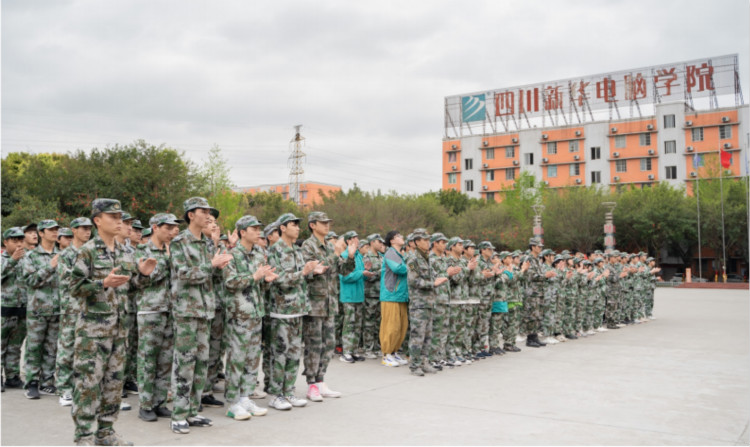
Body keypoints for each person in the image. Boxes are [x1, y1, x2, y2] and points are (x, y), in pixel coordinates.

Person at [68, 198, 156, 445]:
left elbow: (132, 287)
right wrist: (101, 284)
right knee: (88, 385)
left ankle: (105, 432)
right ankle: (83, 436)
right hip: (93, 333)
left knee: (114, 385)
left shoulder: (127, 252)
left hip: (119, 331)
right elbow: (73, 287)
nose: (119, 222)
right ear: (97, 220)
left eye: (120, 218)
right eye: (113, 217)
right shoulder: (87, 251)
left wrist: (145, 276)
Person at [169, 197, 232, 434]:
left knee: (201, 364)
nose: (208, 215)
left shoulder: (207, 243)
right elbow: (183, 273)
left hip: (206, 310)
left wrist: (220, 266)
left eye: (209, 212)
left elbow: (211, 275)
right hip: (187, 310)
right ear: (190, 214)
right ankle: (178, 414)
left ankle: (192, 411)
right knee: (184, 364)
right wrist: (211, 266)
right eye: (203, 211)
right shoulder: (179, 242)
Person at [266, 213, 325, 411]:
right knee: (280, 354)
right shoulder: (275, 250)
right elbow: (279, 279)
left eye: (298, 225)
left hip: (298, 309)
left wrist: (310, 273)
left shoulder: (297, 250)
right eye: (293, 225)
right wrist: (304, 273)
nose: (298, 228)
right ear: (282, 228)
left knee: (293, 354)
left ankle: (289, 391)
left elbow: (301, 277)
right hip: (282, 309)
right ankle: (275, 394)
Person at [222, 215, 277, 420]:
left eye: (258, 228)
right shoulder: (231, 254)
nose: (258, 231)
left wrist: (266, 280)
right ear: (242, 232)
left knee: (253, 358)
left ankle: (245, 396)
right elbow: (230, 282)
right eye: (253, 228)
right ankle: (232, 401)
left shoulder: (259, 254)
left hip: (256, 312)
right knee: (237, 358)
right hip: (239, 313)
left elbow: (259, 284)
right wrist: (254, 277)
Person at [300, 212, 354, 402]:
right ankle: (311, 383)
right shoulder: (308, 246)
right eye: (323, 223)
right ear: (312, 225)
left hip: (330, 303)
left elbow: (343, 270)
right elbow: (315, 269)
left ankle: (321, 380)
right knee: (314, 344)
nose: (327, 225)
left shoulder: (328, 246)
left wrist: (349, 256)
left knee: (328, 343)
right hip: (315, 303)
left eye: (328, 222)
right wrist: (337, 253)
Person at [133, 213, 181, 422]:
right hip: (151, 310)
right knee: (147, 360)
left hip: (171, 310)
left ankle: (160, 402)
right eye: (168, 227)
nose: (172, 231)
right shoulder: (142, 250)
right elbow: (142, 280)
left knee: (165, 361)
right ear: (155, 227)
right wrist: (168, 261)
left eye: (174, 228)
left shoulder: (172, 250)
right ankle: (145, 404)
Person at [21, 219, 61, 399]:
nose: (55, 232)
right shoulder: (31, 256)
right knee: (34, 347)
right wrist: (50, 266)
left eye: (56, 229)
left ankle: (47, 381)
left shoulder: (63, 254)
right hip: (38, 309)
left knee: (52, 348)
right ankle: (31, 382)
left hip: (57, 309)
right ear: (41, 233)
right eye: (50, 230)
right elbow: (30, 281)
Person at [56, 217, 93, 407]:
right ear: (74, 230)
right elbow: (67, 279)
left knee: (85, 349)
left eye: (89, 228)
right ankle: (64, 388)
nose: (87, 232)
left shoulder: (91, 251)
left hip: (89, 306)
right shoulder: (66, 254)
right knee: (67, 347)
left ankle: (82, 387)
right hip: (71, 307)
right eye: (83, 228)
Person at [406, 228, 447, 376]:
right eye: (425, 240)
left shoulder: (426, 258)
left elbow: (433, 276)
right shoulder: (413, 259)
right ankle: (414, 365)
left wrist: (438, 280)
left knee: (428, 336)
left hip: (429, 302)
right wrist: (433, 284)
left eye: (429, 239)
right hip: (419, 304)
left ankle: (424, 362)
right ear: (417, 242)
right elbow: (413, 281)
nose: (428, 242)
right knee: (418, 335)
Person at [1, 227, 27, 391]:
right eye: (14, 241)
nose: (18, 244)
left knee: (15, 346)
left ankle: (12, 377)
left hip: (22, 308)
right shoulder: (2, 259)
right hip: (4, 308)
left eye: (20, 240)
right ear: (5, 242)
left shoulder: (26, 259)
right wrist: (12, 261)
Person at [378, 231, 409, 368]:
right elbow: (399, 269)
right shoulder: (390, 253)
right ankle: (386, 354)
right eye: (398, 236)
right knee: (391, 325)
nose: (402, 237)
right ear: (391, 240)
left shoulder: (399, 254)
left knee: (401, 325)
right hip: (391, 294)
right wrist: (411, 266)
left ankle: (394, 351)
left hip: (401, 295)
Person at [339, 231, 366, 363]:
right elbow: (345, 277)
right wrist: (361, 273)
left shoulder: (359, 256)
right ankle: (346, 352)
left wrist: (365, 272)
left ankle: (354, 350)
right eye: (355, 238)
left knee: (357, 325)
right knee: (349, 324)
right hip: (349, 296)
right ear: (349, 241)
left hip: (359, 295)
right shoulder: (344, 256)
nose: (357, 240)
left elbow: (359, 272)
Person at [362, 234, 384, 358]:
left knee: (378, 322)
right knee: (369, 322)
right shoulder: (367, 257)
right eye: (378, 241)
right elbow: (367, 276)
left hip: (380, 293)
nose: (381, 244)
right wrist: (380, 272)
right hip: (370, 293)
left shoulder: (381, 257)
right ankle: (368, 348)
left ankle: (377, 347)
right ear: (372, 242)